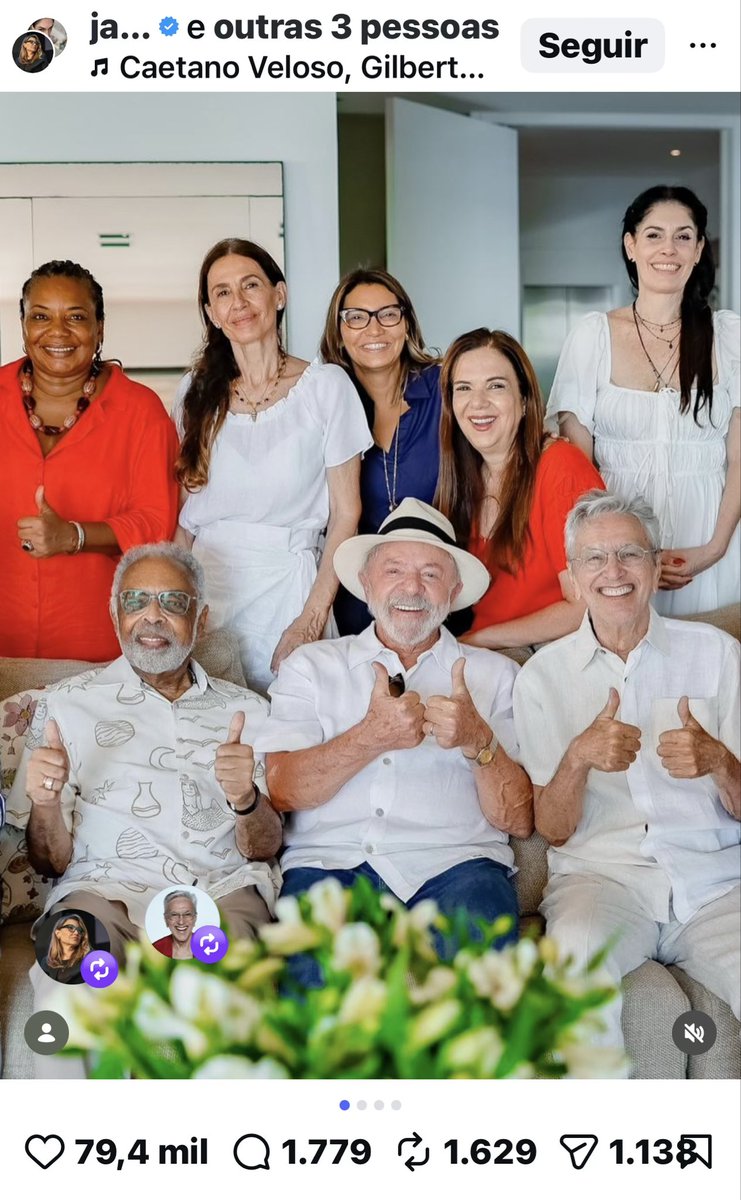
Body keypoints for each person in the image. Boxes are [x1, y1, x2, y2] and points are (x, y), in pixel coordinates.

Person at [513, 491, 740, 1058]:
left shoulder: (717, 654)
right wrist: (577, 758)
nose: (613, 571)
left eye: (630, 554)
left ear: (657, 567)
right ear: (572, 579)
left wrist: (720, 762)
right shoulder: (541, 677)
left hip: (714, 886)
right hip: (602, 882)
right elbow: (553, 830)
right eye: (594, 558)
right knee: (572, 973)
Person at [259, 498, 533, 953]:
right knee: (312, 986)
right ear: (366, 583)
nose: (412, 587)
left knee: (483, 987)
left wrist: (479, 740)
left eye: (431, 574)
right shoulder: (310, 666)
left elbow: (519, 821)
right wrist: (368, 738)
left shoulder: (497, 675)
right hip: (330, 869)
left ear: (453, 591)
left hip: (459, 869)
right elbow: (282, 790)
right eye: (394, 570)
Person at [10, 542, 283, 968]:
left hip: (220, 892)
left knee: (228, 991)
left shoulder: (250, 711)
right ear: (114, 614)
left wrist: (246, 799)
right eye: (135, 600)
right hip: (101, 894)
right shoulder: (65, 705)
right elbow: (49, 863)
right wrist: (45, 803)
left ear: (200, 619)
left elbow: (265, 848)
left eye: (173, 601)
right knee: (68, 962)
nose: (152, 615)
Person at [174, 238, 372, 694]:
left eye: (250, 285)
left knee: (291, 723)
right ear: (211, 312)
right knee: (209, 726)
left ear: (278, 295)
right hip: (207, 595)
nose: (238, 303)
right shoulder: (193, 393)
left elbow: (346, 515)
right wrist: (177, 607)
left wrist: (312, 618)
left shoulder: (326, 387)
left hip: (290, 593)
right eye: (222, 293)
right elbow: (184, 523)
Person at [547, 185, 740, 616]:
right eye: (654, 235)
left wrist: (714, 548)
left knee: (714, 650)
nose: (669, 248)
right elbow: (576, 467)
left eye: (683, 236)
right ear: (631, 245)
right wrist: (615, 552)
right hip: (617, 553)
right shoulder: (593, 336)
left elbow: (740, 458)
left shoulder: (729, 336)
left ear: (698, 249)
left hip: (711, 544)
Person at [2, 260, 179, 661]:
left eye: (76, 317)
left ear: (100, 328)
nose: (58, 331)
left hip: (98, 645)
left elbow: (156, 524)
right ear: (23, 326)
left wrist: (73, 536)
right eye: (41, 316)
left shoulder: (141, 412)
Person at [436, 328, 604, 650]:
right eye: (464, 388)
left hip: (541, 655)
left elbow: (587, 604)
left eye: (496, 386)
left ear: (524, 400)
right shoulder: (463, 477)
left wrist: (477, 642)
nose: (478, 402)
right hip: (483, 654)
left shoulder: (560, 467)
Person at [320, 268, 442, 635]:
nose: (374, 329)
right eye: (356, 317)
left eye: (388, 314)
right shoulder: (325, 406)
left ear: (406, 324)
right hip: (358, 598)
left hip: (439, 592)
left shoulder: (444, 388)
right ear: (339, 334)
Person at [40, 912, 92, 983]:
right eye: (70, 928)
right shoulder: (46, 962)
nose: (76, 933)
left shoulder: (91, 958)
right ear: (58, 933)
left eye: (80, 930)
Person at [152, 890, 198, 959]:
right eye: (174, 915)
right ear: (166, 919)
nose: (181, 922)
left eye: (187, 914)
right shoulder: (154, 949)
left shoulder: (209, 948)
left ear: (194, 918)